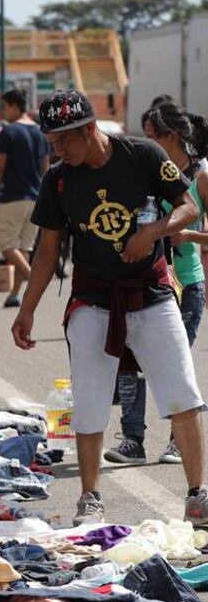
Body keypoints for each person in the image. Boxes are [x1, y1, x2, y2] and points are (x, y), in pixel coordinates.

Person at [12, 89, 208, 526]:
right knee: (89, 399)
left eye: (65, 140)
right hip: (93, 297)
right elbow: (47, 251)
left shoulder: (143, 155)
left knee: (182, 392)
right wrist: (27, 309)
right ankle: (90, 497)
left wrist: (152, 232)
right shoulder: (58, 179)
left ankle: (198, 495)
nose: (58, 150)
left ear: (89, 129)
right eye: (52, 142)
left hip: (151, 291)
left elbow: (188, 207)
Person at [104, 102, 208, 466]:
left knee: (173, 367)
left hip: (186, 285)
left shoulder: (201, 178)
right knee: (130, 362)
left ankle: (179, 441)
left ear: (172, 136)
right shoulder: (146, 171)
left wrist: (189, 235)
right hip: (145, 282)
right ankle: (133, 440)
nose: (147, 143)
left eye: (152, 136)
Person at [0, 88, 51, 308]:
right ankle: (14, 295)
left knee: (6, 245)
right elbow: (46, 168)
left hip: (13, 197)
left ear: (14, 106)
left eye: (4, 107)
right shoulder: (40, 132)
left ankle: (33, 278)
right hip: (35, 197)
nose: (2, 111)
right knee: (23, 248)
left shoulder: (9, 131)